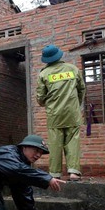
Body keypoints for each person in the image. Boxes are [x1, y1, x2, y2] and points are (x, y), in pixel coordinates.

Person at [36, 45, 86, 181]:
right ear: (59, 55)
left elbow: (40, 98)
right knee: (72, 141)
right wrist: (75, 104)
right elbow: (82, 90)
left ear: (46, 59)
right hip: (72, 112)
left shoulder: (44, 74)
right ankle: (74, 172)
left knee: (55, 143)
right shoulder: (73, 69)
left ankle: (54, 173)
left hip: (54, 114)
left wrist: (47, 103)